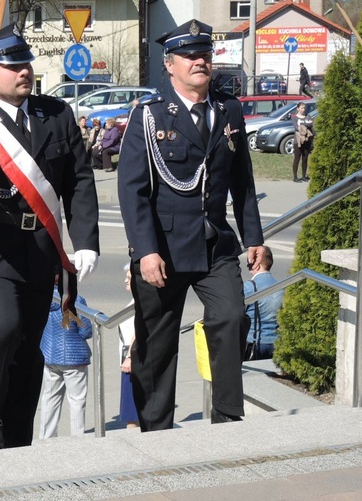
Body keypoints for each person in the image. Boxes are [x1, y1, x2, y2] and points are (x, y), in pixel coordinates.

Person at [0, 23, 100, 451]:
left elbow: (79, 182)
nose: (22, 72)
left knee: (29, 350)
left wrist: (85, 241)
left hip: (40, 250)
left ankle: (18, 443)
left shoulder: (56, 114)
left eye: (24, 64)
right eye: (10, 66)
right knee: (2, 326)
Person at [117, 19, 265, 431]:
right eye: (190, 56)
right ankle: (156, 430)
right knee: (158, 345)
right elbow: (133, 191)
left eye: (205, 54)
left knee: (231, 317)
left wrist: (253, 237)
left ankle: (227, 416)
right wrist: (145, 251)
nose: (200, 62)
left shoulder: (228, 108)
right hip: (162, 248)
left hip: (214, 243)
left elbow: (243, 181)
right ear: (170, 65)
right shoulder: (148, 115)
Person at [38, 286, 92, 439]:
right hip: (74, 356)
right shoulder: (76, 299)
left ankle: (46, 436)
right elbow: (86, 330)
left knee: (50, 396)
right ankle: (77, 436)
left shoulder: (44, 298)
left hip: (49, 354)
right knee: (77, 400)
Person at [243, 246, 283, 360]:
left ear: (256, 263)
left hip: (254, 343)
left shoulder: (249, 287)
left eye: (249, 261)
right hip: (277, 343)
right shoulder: (281, 286)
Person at [118, 265, 139, 428]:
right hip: (129, 356)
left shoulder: (140, 302)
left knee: (132, 413)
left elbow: (138, 331)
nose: (126, 280)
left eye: (129, 277)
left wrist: (130, 357)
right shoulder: (135, 300)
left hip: (131, 357)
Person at [292, 101, 314, 182]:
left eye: (304, 108)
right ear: (298, 108)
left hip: (307, 140)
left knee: (305, 159)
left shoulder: (308, 116)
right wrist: (305, 124)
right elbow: (296, 127)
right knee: (297, 159)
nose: (303, 110)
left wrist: (302, 124)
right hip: (298, 141)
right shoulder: (294, 117)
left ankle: (304, 176)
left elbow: (311, 124)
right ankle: (295, 177)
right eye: (301, 108)